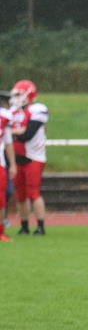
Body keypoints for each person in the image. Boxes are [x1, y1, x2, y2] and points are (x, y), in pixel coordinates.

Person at [9, 80, 49, 236]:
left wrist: (12, 132)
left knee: (33, 193)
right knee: (20, 195)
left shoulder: (38, 109)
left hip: (34, 157)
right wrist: (16, 131)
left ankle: (40, 226)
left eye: (19, 94)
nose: (16, 98)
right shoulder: (14, 111)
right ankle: (24, 226)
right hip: (17, 158)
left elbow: (27, 135)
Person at [0, 90, 16, 241]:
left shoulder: (4, 118)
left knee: (3, 196)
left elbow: (8, 142)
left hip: (1, 163)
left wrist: (12, 164)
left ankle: (1, 230)